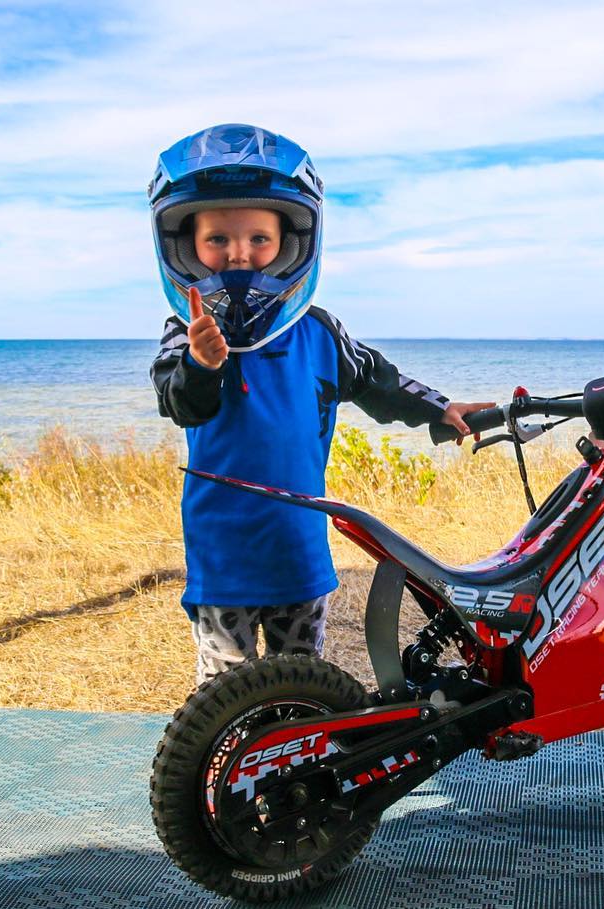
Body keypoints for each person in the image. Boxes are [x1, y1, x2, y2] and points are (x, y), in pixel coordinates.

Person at [148, 124, 492, 685]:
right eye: (218, 240)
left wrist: (440, 409)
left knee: (303, 681)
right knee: (224, 691)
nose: (240, 254)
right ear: (186, 246)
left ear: (292, 240)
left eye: (259, 238)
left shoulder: (319, 333)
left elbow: (379, 383)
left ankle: (298, 770)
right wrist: (201, 363)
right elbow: (179, 402)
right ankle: (224, 774)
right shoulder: (183, 332)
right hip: (222, 562)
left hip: (299, 556)